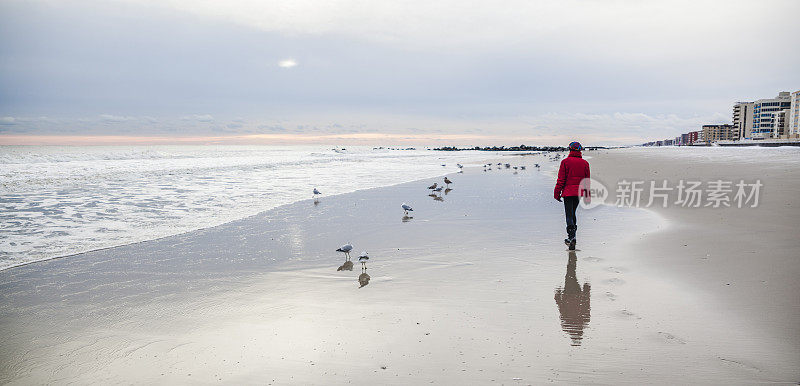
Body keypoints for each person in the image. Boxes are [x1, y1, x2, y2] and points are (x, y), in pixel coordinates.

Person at [554, 141, 590, 250]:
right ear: (580, 150)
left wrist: (557, 193)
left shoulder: (565, 162)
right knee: (573, 213)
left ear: (570, 149)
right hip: (579, 193)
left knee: (569, 215)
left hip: (568, 193)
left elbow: (561, 179)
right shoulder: (585, 163)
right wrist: (587, 193)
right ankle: (573, 237)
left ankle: (571, 238)